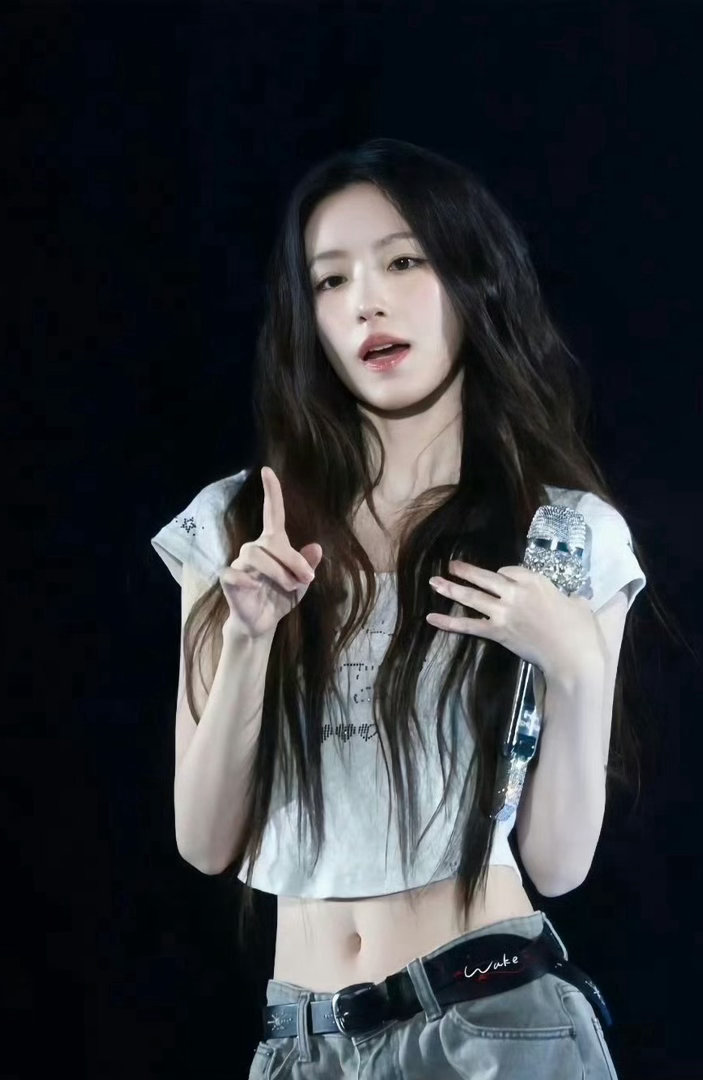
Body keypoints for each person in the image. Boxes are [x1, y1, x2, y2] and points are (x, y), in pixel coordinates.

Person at [151, 138, 647, 1079]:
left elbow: (558, 863)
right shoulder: (237, 529)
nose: (365, 303)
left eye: (404, 262)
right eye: (330, 281)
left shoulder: (564, 537)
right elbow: (205, 839)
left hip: (494, 1026)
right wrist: (250, 638)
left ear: (474, 282)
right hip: (303, 1042)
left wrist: (575, 666)